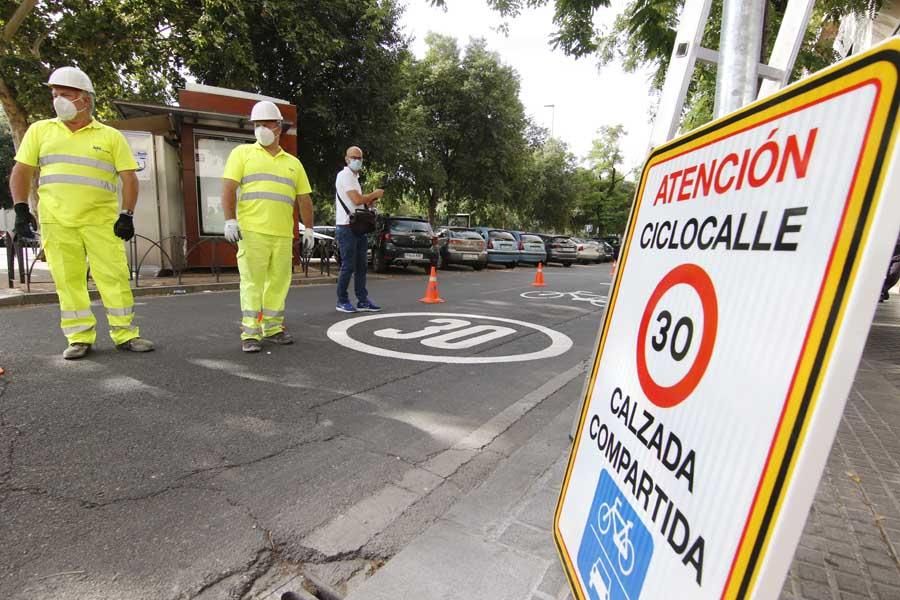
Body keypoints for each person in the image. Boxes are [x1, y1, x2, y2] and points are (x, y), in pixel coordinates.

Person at [10, 67, 154, 360]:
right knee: (68, 280)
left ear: (85, 99)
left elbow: (129, 178)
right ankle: (79, 337)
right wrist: (21, 210)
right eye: (55, 94)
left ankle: (125, 333)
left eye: (65, 94)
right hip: (57, 221)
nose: (58, 100)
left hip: (101, 221)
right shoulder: (41, 131)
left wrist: (127, 214)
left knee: (113, 278)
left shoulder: (110, 136)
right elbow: (22, 171)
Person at [222, 101, 314, 353]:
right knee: (252, 282)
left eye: (265, 124)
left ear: (278, 127)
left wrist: (307, 229)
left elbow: (304, 199)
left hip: (283, 235)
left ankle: (272, 328)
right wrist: (230, 220)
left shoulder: (293, 163)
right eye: (256, 124)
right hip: (252, 233)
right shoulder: (242, 154)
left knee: (278, 283)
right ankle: (250, 332)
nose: (260, 128)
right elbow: (228, 187)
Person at [335, 146, 383, 313]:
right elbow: (355, 200)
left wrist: (369, 200)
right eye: (354, 157)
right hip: (346, 226)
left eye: (360, 158)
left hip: (358, 226)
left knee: (361, 266)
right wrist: (373, 193)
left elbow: (358, 202)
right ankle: (342, 300)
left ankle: (362, 300)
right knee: (348, 266)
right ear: (347, 159)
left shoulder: (355, 178)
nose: (357, 160)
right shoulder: (345, 175)